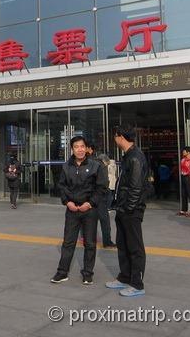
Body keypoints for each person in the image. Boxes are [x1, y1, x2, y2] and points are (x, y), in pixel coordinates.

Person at [51, 137, 108, 285]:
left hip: (89, 210)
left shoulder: (96, 165)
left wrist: (90, 203)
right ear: (72, 149)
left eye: (82, 146)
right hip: (72, 209)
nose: (80, 149)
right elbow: (61, 186)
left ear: (86, 148)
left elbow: (101, 187)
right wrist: (67, 202)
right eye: (76, 147)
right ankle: (62, 272)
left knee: (89, 243)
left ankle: (88, 273)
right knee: (68, 242)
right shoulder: (66, 166)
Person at [106, 126, 149, 297]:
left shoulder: (136, 157)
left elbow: (136, 187)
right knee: (123, 244)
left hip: (131, 210)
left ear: (121, 137)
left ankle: (137, 284)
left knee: (134, 246)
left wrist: (129, 208)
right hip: (123, 208)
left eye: (115, 136)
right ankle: (124, 277)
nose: (114, 139)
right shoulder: (128, 156)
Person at [95, 153, 116, 248]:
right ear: (105, 161)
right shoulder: (102, 166)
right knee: (105, 222)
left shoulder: (91, 164)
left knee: (91, 222)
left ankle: (88, 240)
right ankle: (107, 242)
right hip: (100, 199)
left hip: (91, 199)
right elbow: (104, 182)